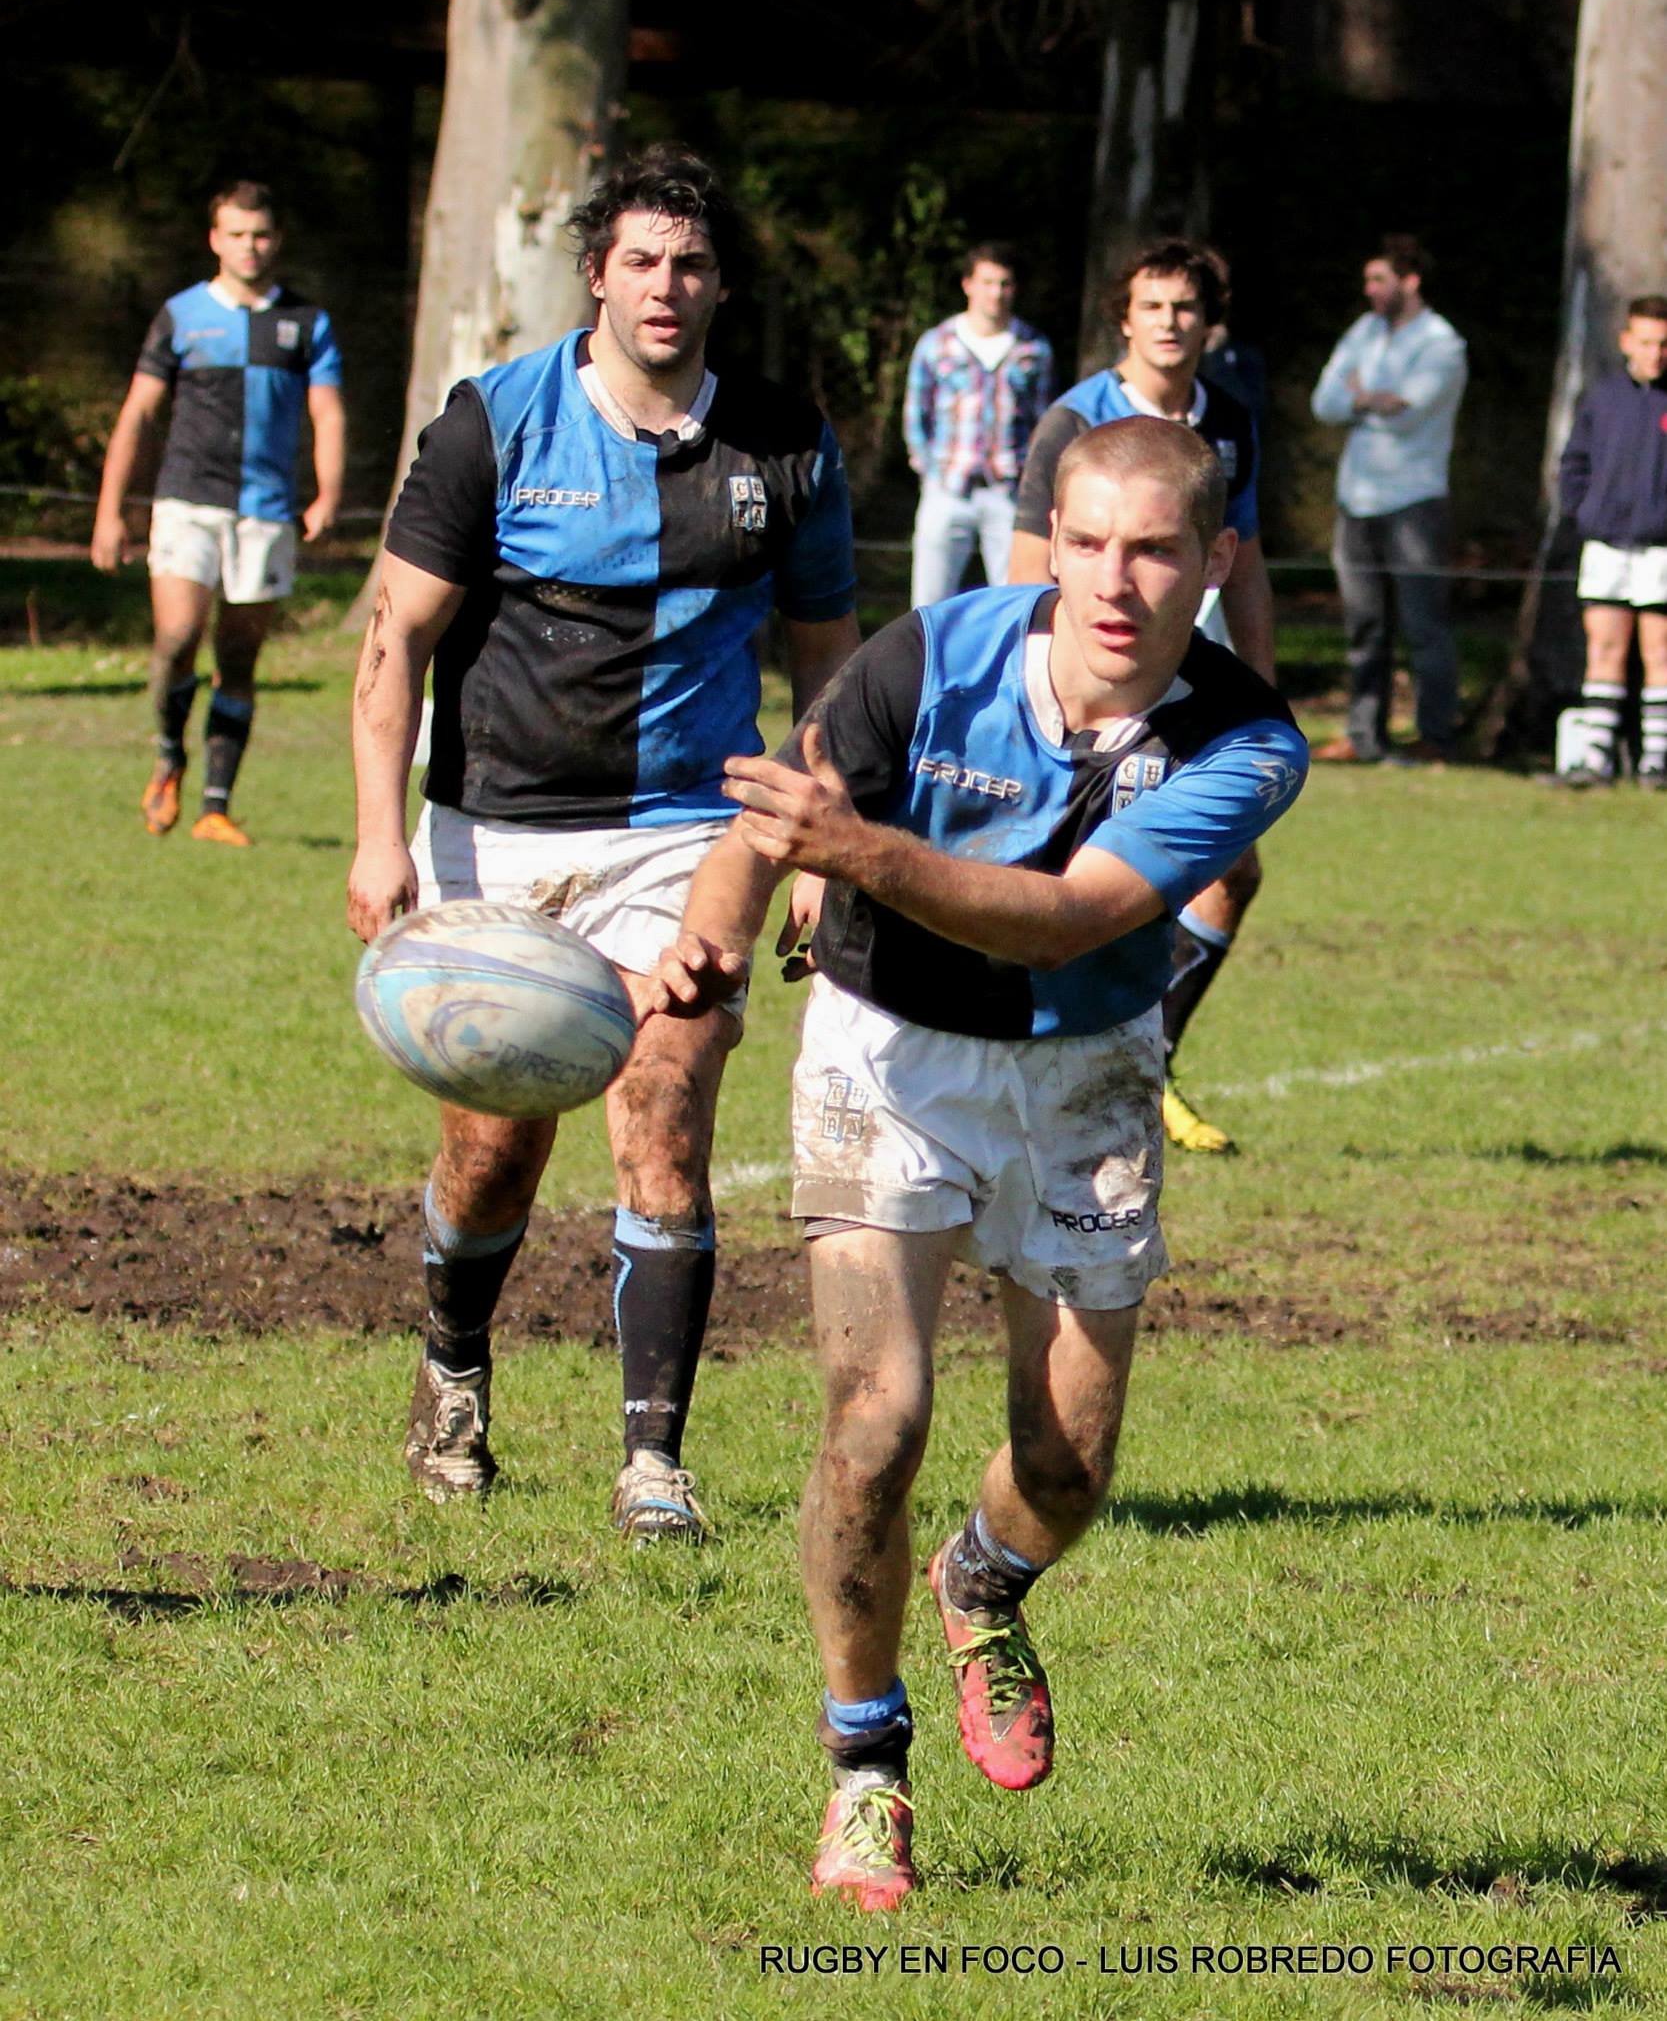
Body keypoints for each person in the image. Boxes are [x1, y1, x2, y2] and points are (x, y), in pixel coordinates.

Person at [645, 416, 1308, 1908]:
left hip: (1086, 1071)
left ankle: (981, 1579)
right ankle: (862, 1773)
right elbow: (771, 822)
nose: (1114, 582)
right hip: (884, 1055)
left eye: (1153, 550)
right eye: (1087, 543)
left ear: (1213, 560)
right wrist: (712, 934)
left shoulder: (1249, 744)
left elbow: (1066, 920)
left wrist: (856, 854)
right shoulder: (931, 655)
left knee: (1065, 1465)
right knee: (874, 1420)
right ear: (1050, 542)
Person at [345, 146, 859, 1543]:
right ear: (595, 275)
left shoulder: (783, 444)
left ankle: (652, 1464)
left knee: (664, 1108)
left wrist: (815, 844)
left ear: (721, 284)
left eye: (689, 264)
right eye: (639, 260)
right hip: (496, 839)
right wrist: (380, 838)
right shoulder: (495, 423)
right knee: (492, 1153)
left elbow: (828, 664)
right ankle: (455, 1367)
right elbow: (394, 637)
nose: (663, 286)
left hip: (690, 832)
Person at [1010, 239, 1277, 1156]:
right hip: (1083, 687)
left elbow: (1246, 564)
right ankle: (1030, 1062)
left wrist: (1261, 693)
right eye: (1151, 305)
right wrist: (1039, 694)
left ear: (1210, 323)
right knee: (1064, 876)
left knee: (1231, 872)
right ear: (1123, 318)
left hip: (1187, 680)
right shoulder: (1075, 419)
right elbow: (1027, 565)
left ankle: (1147, 1062)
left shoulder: (1228, 419)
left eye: (1184, 307)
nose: (1169, 322)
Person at [91, 180, 345, 847]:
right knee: (177, 638)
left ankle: (215, 806)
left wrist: (327, 492)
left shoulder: (306, 323)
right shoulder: (181, 315)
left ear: (276, 239)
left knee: (238, 656)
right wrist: (110, 512)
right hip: (186, 501)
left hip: (265, 510)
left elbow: (326, 413)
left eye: (260, 234)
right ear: (215, 240)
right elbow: (138, 414)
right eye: (236, 234)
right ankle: (168, 756)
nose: (249, 246)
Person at [1310, 234, 1468, 764]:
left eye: (1379, 279)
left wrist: (1360, 398)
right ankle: (1364, 735)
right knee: (1364, 627)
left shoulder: (1442, 344)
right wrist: (1366, 401)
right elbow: (1324, 403)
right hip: (1356, 498)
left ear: (1410, 281)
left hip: (1414, 501)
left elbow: (1408, 409)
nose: (1370, 290)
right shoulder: (1364, 332)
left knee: (1425, 627)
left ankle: (1436, 735)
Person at [1555, 294, 1667, 788]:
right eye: (1646, 342)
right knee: (1603, 646)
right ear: (1626, 341)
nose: (1655, 353)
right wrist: (1584, 511)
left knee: (1660, 652)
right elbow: (1574, 463)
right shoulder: (1602, 398)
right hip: (1605, 544)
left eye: (1663, 344)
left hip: (1660, 549)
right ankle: (1595, 758)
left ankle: (1656, 761)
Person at [903, 243, 1054, 605]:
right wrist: (931, 471)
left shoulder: (1033, 348)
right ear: (968, 284)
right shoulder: (936, 343)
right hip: (947, 489)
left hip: (1008, 492)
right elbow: (916, 415)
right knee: (929, 603)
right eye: (987, 282)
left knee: (1016, 600)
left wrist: (1029, 476)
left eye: (1004, 284)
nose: (996, 293)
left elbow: (1044, 421)